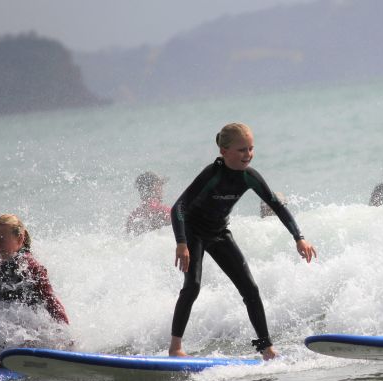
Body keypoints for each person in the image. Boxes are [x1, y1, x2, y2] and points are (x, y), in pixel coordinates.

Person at [170, 123, 317, 360]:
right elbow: (178, 207)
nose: (247, 155)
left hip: (219, 233)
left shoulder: (249, 177)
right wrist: (181, 242)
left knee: (250, 289)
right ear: (224, 151)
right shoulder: (211, 174)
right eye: (241, 150)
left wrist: (299, 238)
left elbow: (276, 205)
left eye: (251, 149)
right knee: (192, 286)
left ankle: (266, 348)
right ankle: (176, 348)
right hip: (193, 232)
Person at [0, 214, 69, 324]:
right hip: (9, 332)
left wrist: (66, 335)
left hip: (33, 333)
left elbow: (52, 303)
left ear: (20, 238)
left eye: (2, 240)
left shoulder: (32, 268)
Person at [126, 171, 172, 235]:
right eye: (160, 185)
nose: (162, 190)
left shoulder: (133, 216)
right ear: (155, 187)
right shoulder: (165, 211)